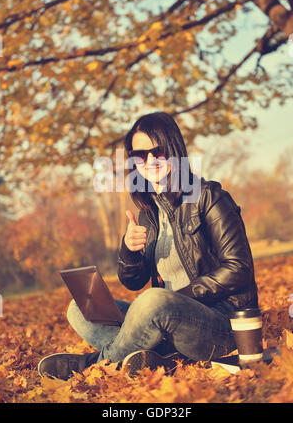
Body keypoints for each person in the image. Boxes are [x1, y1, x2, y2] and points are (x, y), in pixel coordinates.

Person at [38, 112, 259, 380]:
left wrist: (180, 298)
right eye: (140, 155)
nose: (150, 161)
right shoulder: (149, 212)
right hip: (168, 318)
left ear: (175, 150)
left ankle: (94, 366)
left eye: (159, 151)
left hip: (222, 323)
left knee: (153, 301)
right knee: (81, 306)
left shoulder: (208, 196)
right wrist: (128, 250)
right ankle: (157, 359)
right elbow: (133, 282)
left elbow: (239, 268)